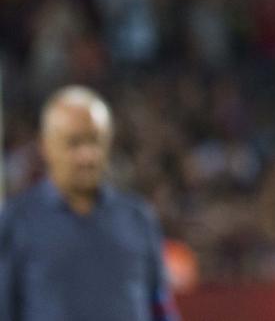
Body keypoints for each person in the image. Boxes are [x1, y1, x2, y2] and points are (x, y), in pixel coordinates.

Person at [0, 86, 179, 321]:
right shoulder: (17, 221)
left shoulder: (138, 218)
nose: (87, 155)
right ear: (45, 146)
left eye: (95, 140)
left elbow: (160, 307)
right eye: (73, 143)